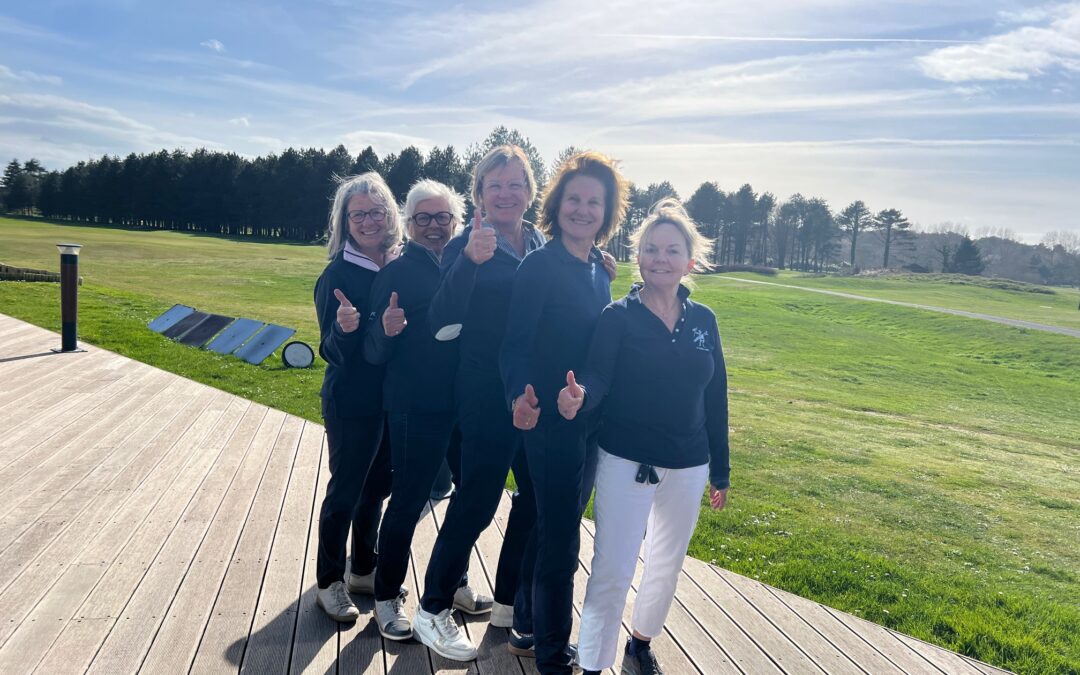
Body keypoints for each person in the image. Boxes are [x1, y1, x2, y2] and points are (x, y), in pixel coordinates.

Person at [559, 198, 730, 675]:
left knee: (666, 562)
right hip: (626, 460)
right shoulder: (618, 316)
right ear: (639, 256)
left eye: (672, 251)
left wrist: (721, 470)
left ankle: (641, 640)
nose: (661, 258)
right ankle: (593, 663)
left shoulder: (704, 321)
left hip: (690, 463)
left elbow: (716, 396)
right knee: (613, 569)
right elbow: (596, 378)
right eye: (652, 249)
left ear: (689, 262)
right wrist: (579, 397)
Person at [500, 151, 630, 675]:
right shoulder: (539, 267)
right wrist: (518, 397)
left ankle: (529, 627)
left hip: (589, 420)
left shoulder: (598, 269)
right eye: (573, 199)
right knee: (561, 539)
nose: (582, 209)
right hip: (551, 425)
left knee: (557, 526)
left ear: (607, 211)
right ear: (557, 204)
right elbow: (513, 346)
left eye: (593, 202)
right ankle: (553, 657)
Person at [417, 146, 547, 660]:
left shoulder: (540, 243)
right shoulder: (467, 245)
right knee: (477, 499)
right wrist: (469, 262)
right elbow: (441, 319)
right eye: (495, 185)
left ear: (530, 192)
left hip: (532, 392)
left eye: (516, 183)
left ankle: (509, 601)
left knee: (533, 497)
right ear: (479, 195)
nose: (506, 193)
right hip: (485, 392)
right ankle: (432, 607)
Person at [363, 179, 490, 645]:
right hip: (416, 403)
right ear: (410, 224)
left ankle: (451, 583)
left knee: (470, 498)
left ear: (456, 222)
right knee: (411, 499)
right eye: (423, 218)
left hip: (467, 401)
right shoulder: (395, 275)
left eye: (442, 217)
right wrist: (386, 328)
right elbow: (374, 352)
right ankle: (386, 594)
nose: (434, 226)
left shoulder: (469, 261)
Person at [312, 172, 403, 622]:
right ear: (345, 222)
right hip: (351, 399)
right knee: (346, 491)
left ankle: (363, 569)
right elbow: (328, 350)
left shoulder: (400, 264)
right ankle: (329, 581)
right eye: (358, 214)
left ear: (390, 215)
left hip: (392, 399)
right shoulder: (337, 274)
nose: (368, 221)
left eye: (376, 211)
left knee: (376, 490)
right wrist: (343, 330)